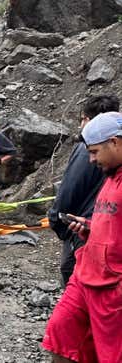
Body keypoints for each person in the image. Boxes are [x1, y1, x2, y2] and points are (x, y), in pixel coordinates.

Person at [42, 112, 122, 363]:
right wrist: (91, 228)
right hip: (86, 274)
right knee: (60, 333)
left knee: (111, 353)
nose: (91, 159)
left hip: (113, 286)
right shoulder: (111, 175)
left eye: (95, 151)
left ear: (115, 142)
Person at [48, 95, 119, 286]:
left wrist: (57, 219)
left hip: (85, 229)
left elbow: (71, 187)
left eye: (82, 119)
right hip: (99, 227)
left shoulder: (87, 148)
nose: (92, 158)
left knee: (75, 276)